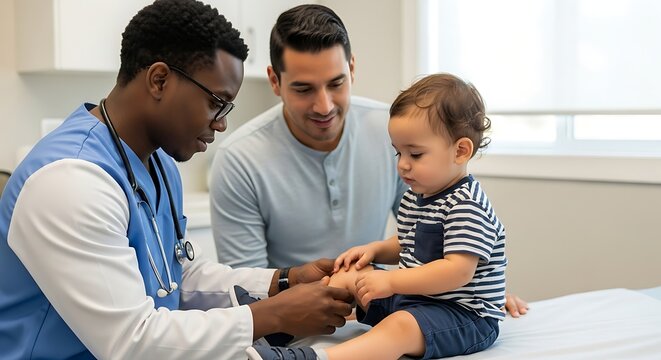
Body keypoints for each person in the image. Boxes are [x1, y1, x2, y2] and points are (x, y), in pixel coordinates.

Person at [0, 1, 352, 359]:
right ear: (159, 80)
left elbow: (174, 277)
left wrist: (282, 282)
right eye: (217, 102)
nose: (221, 123)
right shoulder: (70, 181)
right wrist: (276, 314)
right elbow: (132, 341)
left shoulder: (159, 164)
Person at [209, 4, 529, 317]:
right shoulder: (238, 161)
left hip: (376, 298)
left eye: (336, 84)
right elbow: (247, 293)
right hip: (291, 316)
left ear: (352, 68)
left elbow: (432, 233)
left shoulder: (394, 134)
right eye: (304, 89)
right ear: (274, 81)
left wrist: (477, 293)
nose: (324, 106)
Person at [247, 73, 507, 360]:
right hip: (417, 299)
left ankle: (316, 358)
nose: (403, 165)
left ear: (460, 151)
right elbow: (410, 242)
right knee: (348, 276)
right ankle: (278, 328)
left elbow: (457, 271)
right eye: (398, 153)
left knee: (401, 327)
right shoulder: (419, 195)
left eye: (416, 155)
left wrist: (392, 282)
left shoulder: (467, 204)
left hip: (464, 316)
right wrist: (375, 250)